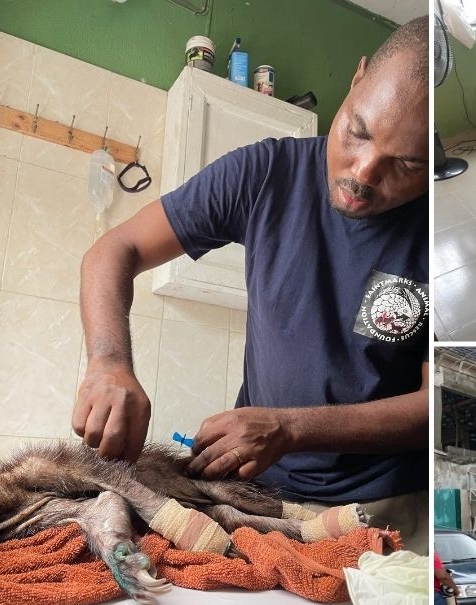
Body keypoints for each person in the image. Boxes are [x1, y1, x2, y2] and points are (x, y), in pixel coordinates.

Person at [70, 17, 429, 552]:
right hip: (254, 495)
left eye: (406, 164)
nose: (363, 173)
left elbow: (434, 404)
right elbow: (114, 250)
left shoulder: (438, 238)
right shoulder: (265, 174)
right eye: (356, 130)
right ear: (356, 81)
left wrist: (290, 428)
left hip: (385, 507)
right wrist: (109, 362)